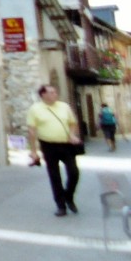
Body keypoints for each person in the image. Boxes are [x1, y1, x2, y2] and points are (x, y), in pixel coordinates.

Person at [27, 84, 82, 217]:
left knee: (74, 172)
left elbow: (72, 123)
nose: (55, 94)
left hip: (66, 144)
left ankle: (68, 196)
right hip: (48, 145)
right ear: (43, 95)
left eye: (55, 92)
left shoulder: (64, 106)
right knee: (54, 176)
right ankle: (61, 205)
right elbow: (32, 131)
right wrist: (34, 151)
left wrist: (72, 135)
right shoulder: (35, 109)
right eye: (51, 92)